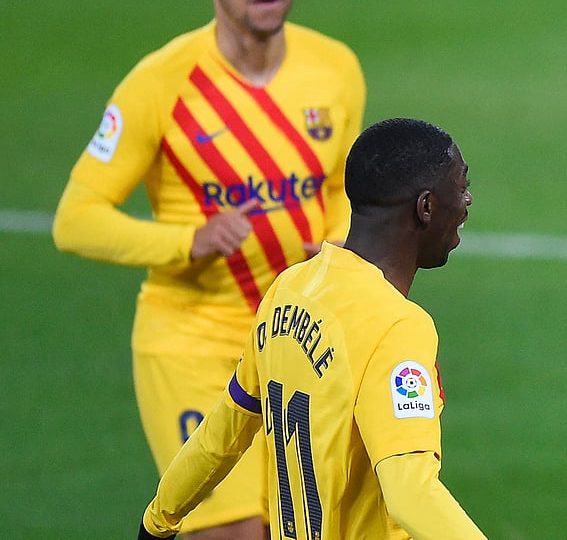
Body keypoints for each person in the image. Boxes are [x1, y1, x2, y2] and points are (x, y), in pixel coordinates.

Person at [52, 0, 366, 539]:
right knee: (232, 533)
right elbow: (75, 220)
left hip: (293, 341)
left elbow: (340, 190)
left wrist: (333, 245)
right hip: (191, 341)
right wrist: (187, 240)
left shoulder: (336, 69)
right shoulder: (159, 84)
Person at [137, 117, 485, 540]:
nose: (467, 200)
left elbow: (221, 433)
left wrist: (158, 520)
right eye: (461, 185)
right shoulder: (397, 326)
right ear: (425, 206)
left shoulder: (289, 289)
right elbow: (409, 490)